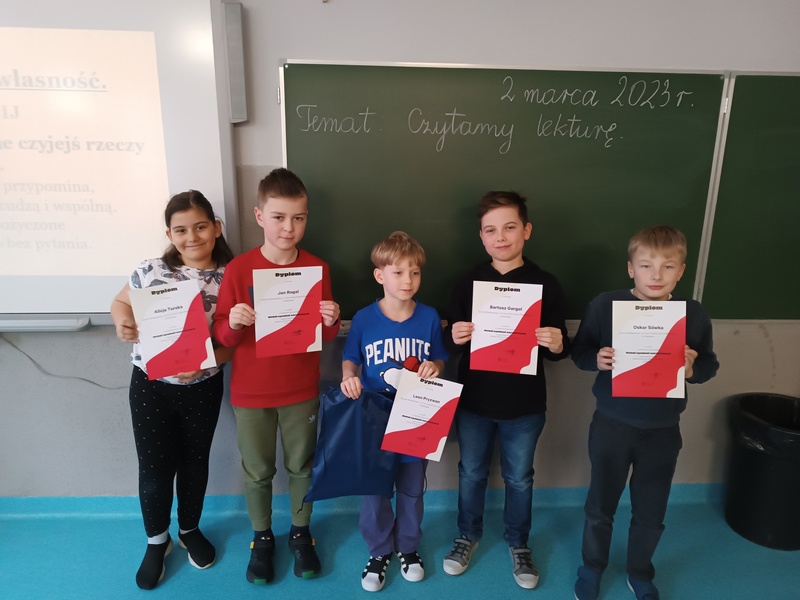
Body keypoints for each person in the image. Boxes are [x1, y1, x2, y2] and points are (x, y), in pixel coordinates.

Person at [571, 225, 719, 600]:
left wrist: (691, 368)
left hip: (662, 431)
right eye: (646, 265)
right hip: (611, 426)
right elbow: (580, 352)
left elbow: (709, 365)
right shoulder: (605, 305)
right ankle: (592, 567)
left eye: (667, 266)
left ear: (681, 271)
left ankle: (639, 572)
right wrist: (597, 359)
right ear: (630, 268)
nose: (656, 274)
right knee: (600, 506)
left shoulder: (692, 314)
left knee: (651, 512)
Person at [211, 168, 340, 585]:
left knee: (302, 465)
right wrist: (233, 322)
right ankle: (262, 536)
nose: (289, 227)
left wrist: (332, 320)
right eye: (279, 217)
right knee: (257, 470)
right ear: (259, 216)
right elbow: (222, 334)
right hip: (251, 393)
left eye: (298, 218)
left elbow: (324, 334)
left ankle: (301, 532)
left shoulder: (317, 268)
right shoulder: (239, 270)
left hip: (300, 389)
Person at [442, 191, 570, 590]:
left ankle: (519, 542)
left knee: (519, 478)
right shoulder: (468, 283)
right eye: (490, 230)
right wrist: (454, 337)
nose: (500, 237)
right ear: (481, 236)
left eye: (510, 227)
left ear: (526, 230)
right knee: (471, 473)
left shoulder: (545, 284)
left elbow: (559, 350)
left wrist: (556, 343)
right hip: (474, 401)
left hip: (525, 406)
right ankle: (467, 535)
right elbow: (449, 343)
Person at [111, 190, 235, 590]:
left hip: (203, 386)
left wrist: (207, 361)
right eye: (181, 230)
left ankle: (189, 529)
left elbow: (237, 341)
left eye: (200, 227)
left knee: (195, 463)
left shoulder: (231, 276)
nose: (191, 236)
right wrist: (122, 322)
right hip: (151, 386)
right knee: (154, 467)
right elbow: (120, 302)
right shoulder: (150, 270)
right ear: (169, 234)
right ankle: (156, 540)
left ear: (216, 228)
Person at [340, 231, 448, 592]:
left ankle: (408, 546)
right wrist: (348, 377)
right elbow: (351, 358)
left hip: (416, 416)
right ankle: (379, 550)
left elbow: (440, 357)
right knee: (374, 490)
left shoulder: (429, 317)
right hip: (374, 418)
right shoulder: (363, 318)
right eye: (398, 272)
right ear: (379, 275)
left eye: (415, 272)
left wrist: (434, 366)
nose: (408, 280)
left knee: (412, 487)